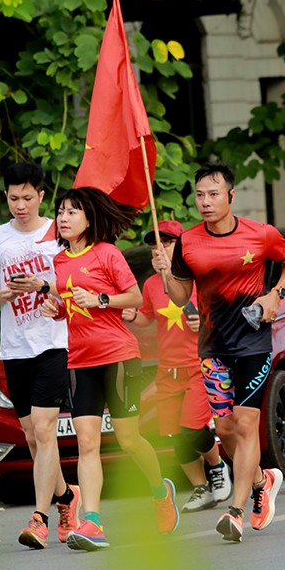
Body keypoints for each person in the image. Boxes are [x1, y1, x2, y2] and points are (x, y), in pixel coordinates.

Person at [153, 164, 285, 543]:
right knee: (223, 428)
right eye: (200, 195)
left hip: (253, 343)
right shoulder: (187, 243)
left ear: (231, 197)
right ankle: (261, 479)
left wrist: (276, 293)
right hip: (213, 346)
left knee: (245, 423)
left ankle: (235, 510)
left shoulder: (260, 234)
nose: (205, 202)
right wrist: (165, 273)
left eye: (213, 194)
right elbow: (178, 295)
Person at [41, 187, 179, 550]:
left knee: (129, 439)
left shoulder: (107, 254)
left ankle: (159, 491)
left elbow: (134, 297)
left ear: (89, 218)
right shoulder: (58, 261)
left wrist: (101, 299)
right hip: (79, 360)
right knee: (86, 443)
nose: (64, 218)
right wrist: (56, 309)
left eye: (72, 212)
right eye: (60, 212)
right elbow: (69, 304)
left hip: (117, 356)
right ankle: (94, 523)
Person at [0, 162, 79, 550]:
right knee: (34, 439)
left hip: (52, 343)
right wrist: (1, 295)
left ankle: (40, 518)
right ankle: (67, 496)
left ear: (41, 196)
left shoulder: (58, 235)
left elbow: (76, 282)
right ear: (6, 197)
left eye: (28, 198)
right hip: (14, 348)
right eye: (14, 198)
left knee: (46, 430)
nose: (21, 205)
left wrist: (53, 294)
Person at [123, 219, 232, 512]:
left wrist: (203, 321)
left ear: (182, 246)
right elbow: (147, 317)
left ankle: (217, 465)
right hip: (167, 371)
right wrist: (132, 317)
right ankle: (200, 487)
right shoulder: (150, 285)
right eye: (154, 245)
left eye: (167, 243)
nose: (158, 250)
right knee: (173, 432)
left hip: (198, 365)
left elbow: (222, 316)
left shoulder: (200, 279)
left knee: (192, 425)